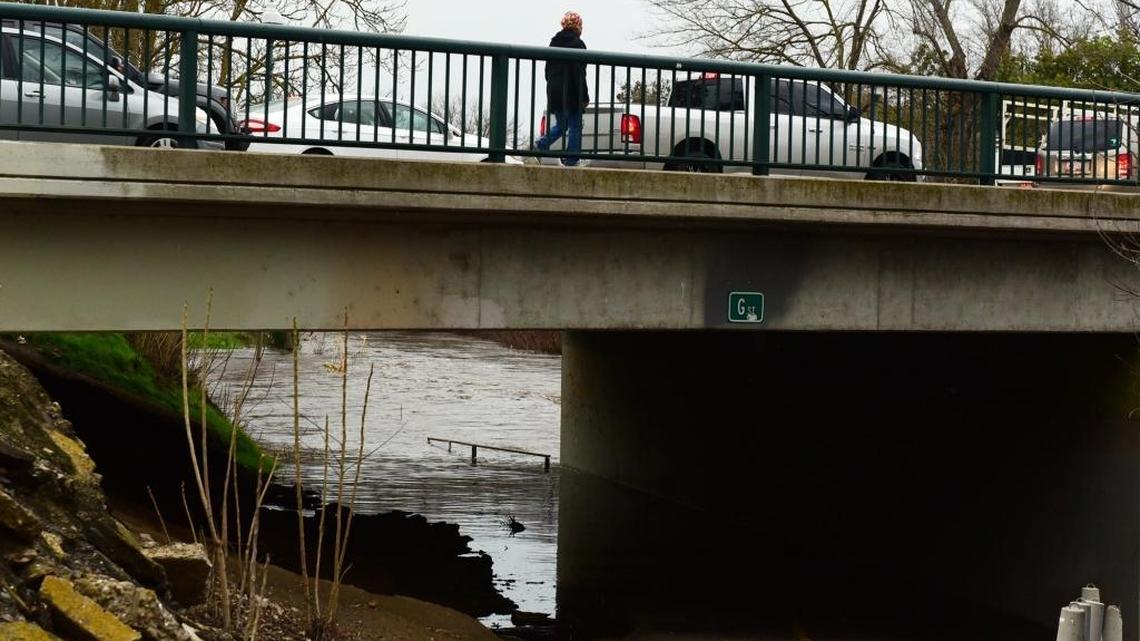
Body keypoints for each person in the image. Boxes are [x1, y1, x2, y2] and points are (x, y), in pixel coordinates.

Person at [535, 11, 590, 167]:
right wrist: (584, 96)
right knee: (575, 125)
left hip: (555, 92)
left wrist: (552, 89)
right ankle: (572, 159)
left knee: (561, 125)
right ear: (578, 27)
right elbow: (579, 74)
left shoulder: (554, 42)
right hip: (572, 92)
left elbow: (547, 71)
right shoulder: (578, 44)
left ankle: (541, 144)